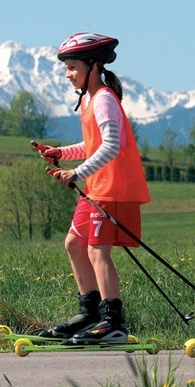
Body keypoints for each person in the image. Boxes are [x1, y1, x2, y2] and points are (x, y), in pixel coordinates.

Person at [37, 32, 151, 344]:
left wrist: (76, 172)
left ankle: (113, 322)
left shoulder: (102, 99)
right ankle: (89, 314)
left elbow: (113, 146)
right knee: (74, 243)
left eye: (72, 67)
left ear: (94, 65)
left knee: (96, 250)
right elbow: (93, 144)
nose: (67, 74)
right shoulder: (89, 99)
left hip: (115, 186)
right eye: (66, 68)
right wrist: (61, 153)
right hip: (97, 185)